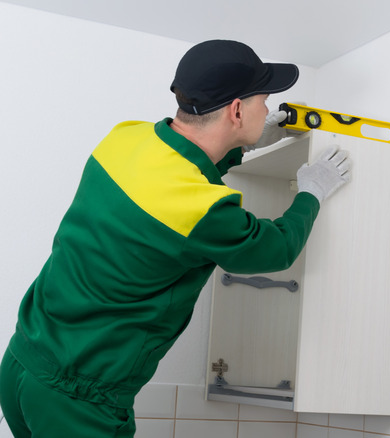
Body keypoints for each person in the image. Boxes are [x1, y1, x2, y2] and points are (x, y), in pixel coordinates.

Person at [0, 39, 351, 437]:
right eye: (264, 100)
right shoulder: (203, 211)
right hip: (77, 400)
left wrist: (242, 145)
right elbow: (275, 248)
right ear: (237, 110)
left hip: (20, 365)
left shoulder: (124, 138)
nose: (268, 110)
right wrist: (311, 191)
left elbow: (180, 167)